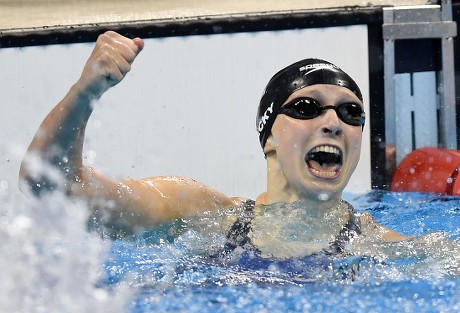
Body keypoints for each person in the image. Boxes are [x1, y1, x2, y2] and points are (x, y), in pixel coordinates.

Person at [19, 31, 407, 260]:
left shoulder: (377, 244)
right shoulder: (201, 214)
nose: (333, 123)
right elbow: (52, 187)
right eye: (306, 107)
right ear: (268, 137)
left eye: (350, 113)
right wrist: (85, 92)